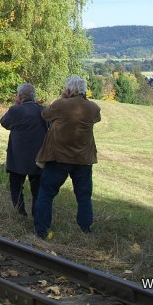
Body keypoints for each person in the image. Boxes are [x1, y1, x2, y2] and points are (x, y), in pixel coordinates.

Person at [33, 75, 102, 239]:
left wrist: (62, 98)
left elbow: (45, 114)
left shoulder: (61, 104)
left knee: (46, 194)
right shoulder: (93, 108)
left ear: (68, 90)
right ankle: (86, 229)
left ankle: (41, 230)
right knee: (84, 196)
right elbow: (97, 118)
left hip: (59, 158)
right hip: (84, 160)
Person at [0, 83, 47, 217]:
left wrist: (15, 105)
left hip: (18, 158)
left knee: (16, 187)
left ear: (20, 96)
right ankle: (36, 216)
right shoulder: (43, 110)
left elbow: (4, 122)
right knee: (37, 190)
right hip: (38, 158)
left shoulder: (16, 110)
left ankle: (20, 213)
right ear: (34, 96)